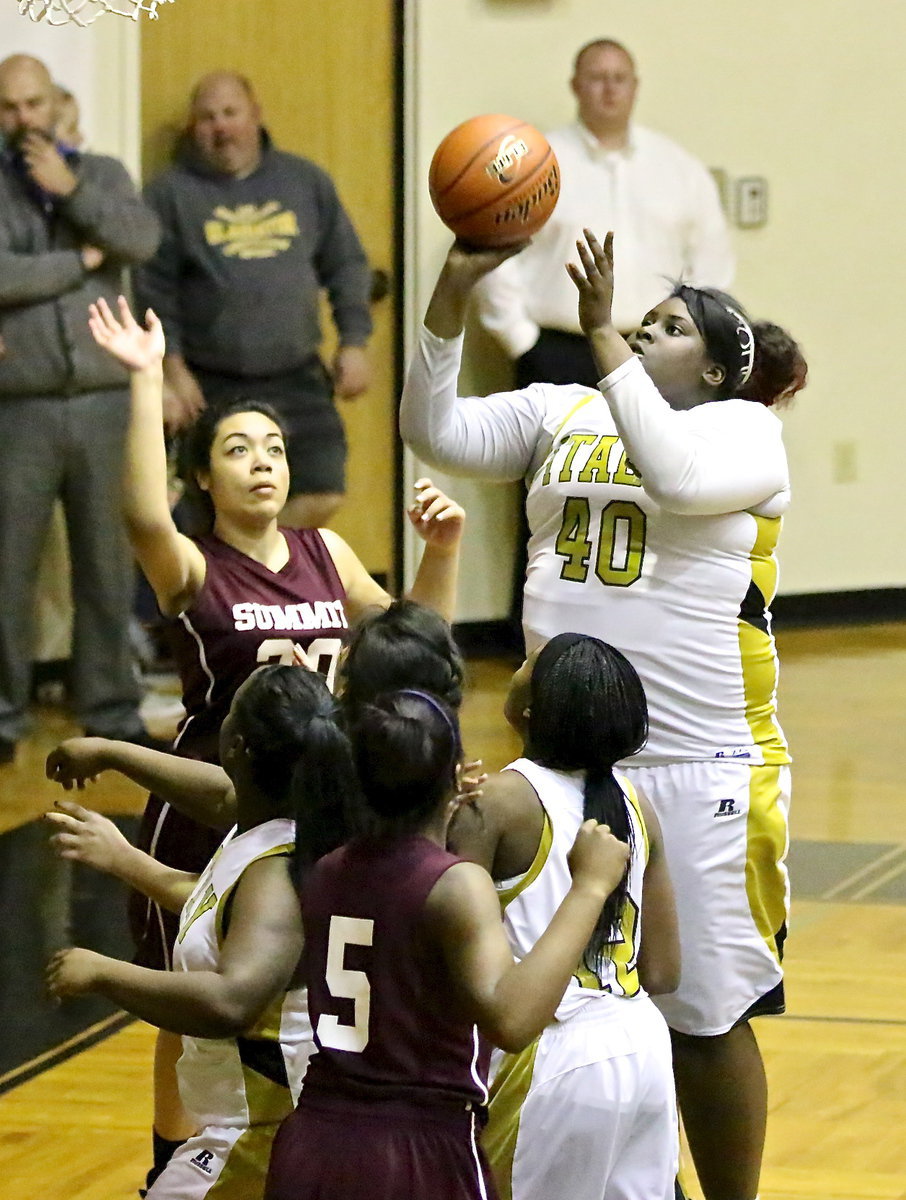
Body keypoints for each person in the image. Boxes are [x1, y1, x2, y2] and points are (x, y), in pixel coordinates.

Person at [399, 231, 808, 1200]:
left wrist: (598, 336)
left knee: (700, 1014)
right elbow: (435, 431)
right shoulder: (562, 409)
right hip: (565, 763)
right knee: (562, 1000)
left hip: (700, 764)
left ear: (717, 370)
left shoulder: (743, 431)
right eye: (642, 320)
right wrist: (450, 296)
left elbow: (674, 478)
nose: (643, 329)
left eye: (671, 328)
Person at [87, 293, 464, 1185]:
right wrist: (145, 377)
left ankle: (291, 1141)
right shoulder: (194, 563)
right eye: (236, 449)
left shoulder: (326, 552)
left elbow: (414, 650)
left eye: (274, 448)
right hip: (214, 799)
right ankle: (175, 1166)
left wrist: (443, 550)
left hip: (322, 802)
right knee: (193, 999)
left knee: (303, 980)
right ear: (201, 478)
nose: (261, 462)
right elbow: (142, 515)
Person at [264, 688, 631, 1200]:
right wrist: (589, 889)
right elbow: (512, 1021)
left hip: (313, 1143)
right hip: (418, 1151)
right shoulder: (454, 885)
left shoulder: (325, 870)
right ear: (455, 778)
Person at [47, 664, 358, 1200]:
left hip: (267, 1132)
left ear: (235, 746)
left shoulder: (275, 874)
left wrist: (103, 973)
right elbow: (218, 797)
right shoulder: (281, 817)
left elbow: (230, 1001)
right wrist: (112, 752)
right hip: (279, 1120)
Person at [0, 53, 162, 765]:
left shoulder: (104, 176)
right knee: (8, 570)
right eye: (9, 107)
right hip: (19, 406)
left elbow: (140, 240)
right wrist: (81, 263)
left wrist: (70, 192)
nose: (24, 119)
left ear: (58, 105)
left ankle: (111, 709)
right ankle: (3, 717)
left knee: (107, 565)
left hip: (104, 401)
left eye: (34, 104)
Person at [135, 71, 373, 529]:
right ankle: (245, 569)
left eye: (231, 113)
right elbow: (154, 290)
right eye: (208, 118)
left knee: (323, 491)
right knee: (216, 508)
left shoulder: (305, 182)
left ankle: (255, 560)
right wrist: (173, 371)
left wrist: (354, 341)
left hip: (297, 377)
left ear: (256, 115)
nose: (221, 127)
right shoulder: (169, 195)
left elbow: (346, 264)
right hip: (212, 383)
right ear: (193, 128)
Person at [475, 38, 734, 389]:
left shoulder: (678, 168)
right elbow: (495, 251)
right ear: (575, 86)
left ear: (635, 87)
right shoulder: (535, 163)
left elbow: (711, 262)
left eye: (619, 78)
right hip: (557, 355)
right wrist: (520, 340)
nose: (610, 89)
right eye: (597, 78)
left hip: (657, 353)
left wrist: (695, 339)